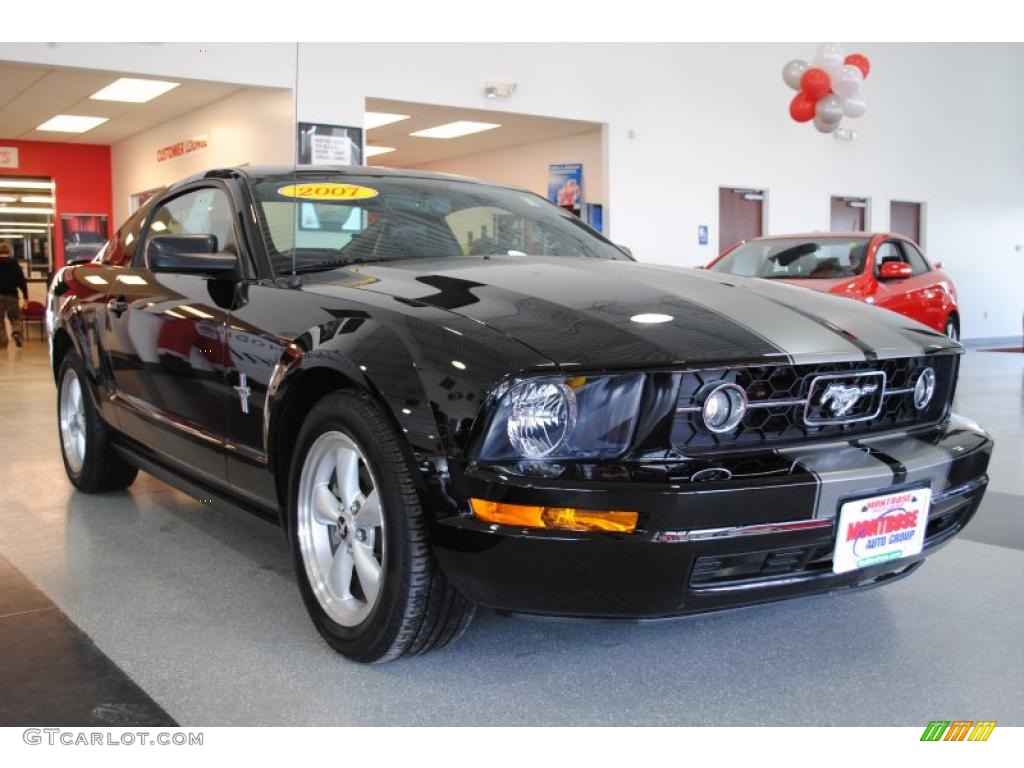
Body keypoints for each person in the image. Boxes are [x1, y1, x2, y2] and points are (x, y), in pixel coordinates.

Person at [0, 242, 28, 349]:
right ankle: (16, 332)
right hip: (12, 296)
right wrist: (26, 296)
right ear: (8, 251)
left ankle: (2, 343)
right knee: (15, 318)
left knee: (0, 321)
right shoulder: (15, 264)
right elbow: (21, 281)